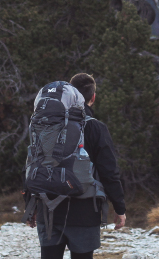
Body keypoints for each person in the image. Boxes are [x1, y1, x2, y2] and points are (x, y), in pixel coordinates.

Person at [25, 73, 126, 259]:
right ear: (93, 97)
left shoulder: (46, 124)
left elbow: (33, 162)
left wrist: (30, 205)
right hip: (85, 212)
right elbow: (109, 173)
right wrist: (119, 208)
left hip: (49, 210)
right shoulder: (96, 128)